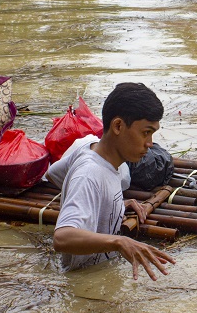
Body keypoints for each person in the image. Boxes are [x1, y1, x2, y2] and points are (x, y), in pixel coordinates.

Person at [52, 83, 176, 281]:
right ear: (118, 126)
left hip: (101, 273)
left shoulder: (96, 153)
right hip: (83, 282)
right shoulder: (89, 174)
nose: (150, 143)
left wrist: (108, 203)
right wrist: (119, 241)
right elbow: (62, 237)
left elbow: (54, 172)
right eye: (146, 132)